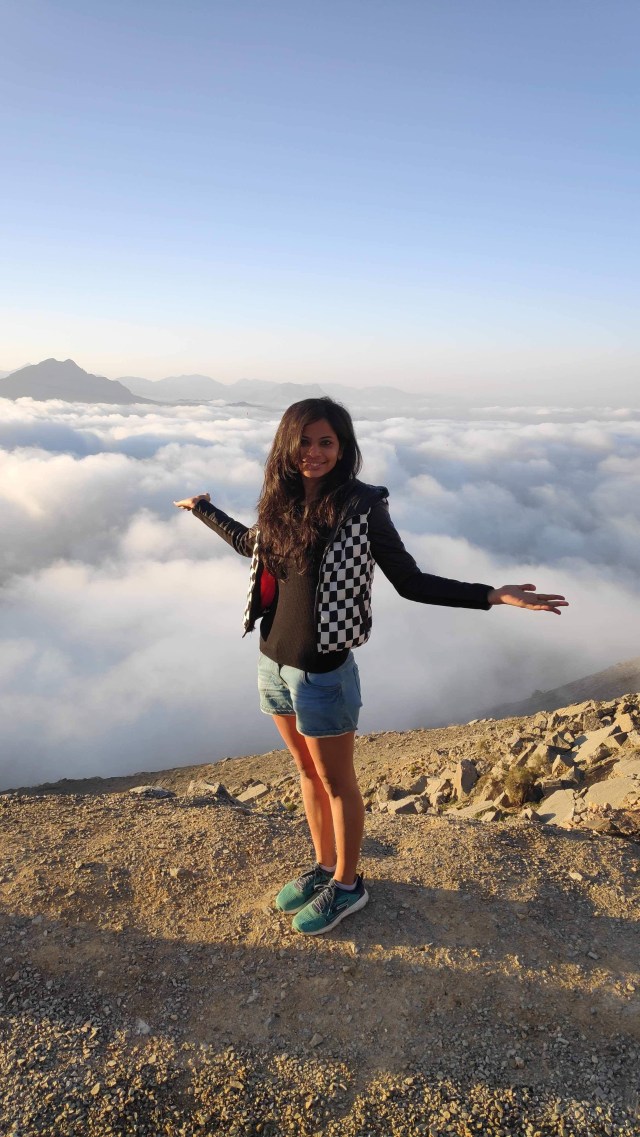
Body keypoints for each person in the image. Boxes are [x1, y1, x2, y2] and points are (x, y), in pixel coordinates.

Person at [174, 397, 568, 935]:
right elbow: (251, 544)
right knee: (306, 773)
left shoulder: (361, 506)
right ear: (286, 446)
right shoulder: (282, 500)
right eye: (304, 442)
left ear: (343, 448)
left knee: (337, 782)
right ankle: (323, 866)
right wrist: (204, 509)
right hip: (273, 663)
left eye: (326, 442)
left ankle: (348, 884)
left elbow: (410, 580)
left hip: (324, 673)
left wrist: (491, 595)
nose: (314, 452)